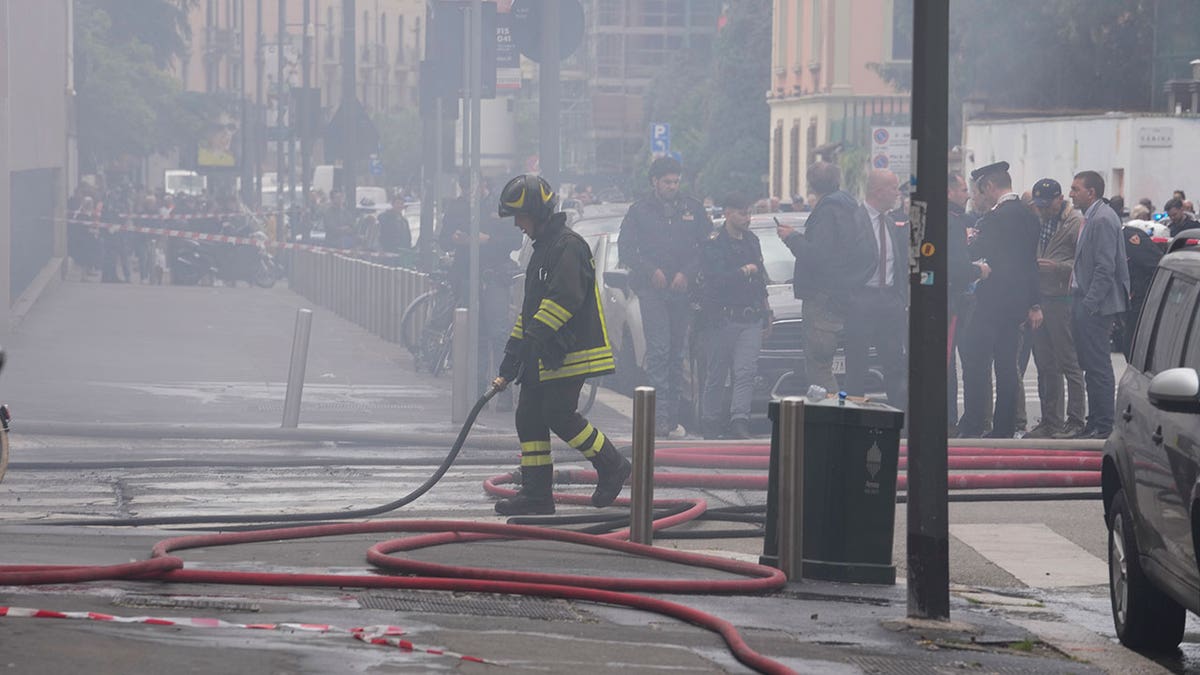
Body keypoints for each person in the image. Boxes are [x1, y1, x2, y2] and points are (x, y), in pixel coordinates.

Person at [491, 174, 631, 516]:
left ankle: (612, 465)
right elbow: (533, 307)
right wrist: (513, 351)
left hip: (571, 352)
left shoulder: (568, 246)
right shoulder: (543, 249)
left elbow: (564, 300)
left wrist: (532, 340)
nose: (518, 225)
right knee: (528, 417)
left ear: (537, 212)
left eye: (520, 216)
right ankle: (538, 495)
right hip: (546, 353)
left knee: (557, 414)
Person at [618, 157, 713, 437]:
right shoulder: (639, 212)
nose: (672, 186)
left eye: (676, 181)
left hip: (682, 292)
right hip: (653, 293)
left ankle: (672, 417)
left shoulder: (692, 209)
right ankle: (659, 417)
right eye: (667, 181)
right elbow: (626, 251)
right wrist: (650, 271)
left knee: (677, 355)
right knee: (658, 353)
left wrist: (687, 272)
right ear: (654, 182)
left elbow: (706, 248)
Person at [957, 161, 1043, 439]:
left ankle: (973, 422)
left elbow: (977, 251)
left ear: (991, 187)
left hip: (991, 301)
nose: (980, 197)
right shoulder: (1030, 216)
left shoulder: (995, 219)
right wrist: (1033, 303)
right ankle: (1003, 426)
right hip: (1017, 304)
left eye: (981, 191)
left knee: (975, 362)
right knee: (1008, 367)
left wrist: (968, 242)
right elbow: (1032, 264)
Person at [778, 161, 876, 396]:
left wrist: (791, 238)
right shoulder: (852, 209)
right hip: (846, 294)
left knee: (819, 366)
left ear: (811, 185)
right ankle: (843, 413)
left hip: (821, 298)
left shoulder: (826, 212)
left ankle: (829, 415)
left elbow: (817, 256)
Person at [440, 175, 524, 406]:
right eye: (465, 189)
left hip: (494, 275)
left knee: (498, 333)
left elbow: (515, 239)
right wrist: (454, 239)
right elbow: (443, 240)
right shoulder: (457, 207)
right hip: (467, 277)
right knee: (474, 335)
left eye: (473, 188)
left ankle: (502, 392)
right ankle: (477, 393)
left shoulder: (500, 206)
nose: (469, 194)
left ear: (484, 185)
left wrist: (489, 240)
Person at [695, 192, 771, 440]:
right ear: (727, 213)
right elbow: (715, 280)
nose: (747, 218)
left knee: (746, 372)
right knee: (717, 373)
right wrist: (742, 270)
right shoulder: (713, 242)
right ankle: (711, 421)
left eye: (749, 213)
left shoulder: (752, 241)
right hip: (722, 318)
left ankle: (740, 419)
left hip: (750, 318)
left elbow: (760, 279)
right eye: (742, 213)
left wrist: (766, 310)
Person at [1068, 170, 1130, 439]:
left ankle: (1103, 424)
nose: (1071, 194)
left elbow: (1105, 268)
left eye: (1076, 189)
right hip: (1087, 301)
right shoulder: (1093, 217)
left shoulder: (1102, 219)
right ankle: (1094, 421)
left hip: (1096, 305)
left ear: (1091, 192)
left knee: (1098, 366)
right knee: (1091, 366)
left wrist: (1090, 303)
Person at [1024, 178, 1086, 439]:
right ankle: (1050, 420)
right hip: (1041, 298)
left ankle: (1075, 420)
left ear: (1060, 199)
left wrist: (1057, 267)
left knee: (1068, 363)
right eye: (1039, 204)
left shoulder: (1074, 224)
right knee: (1045, 364)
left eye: (1047, 204)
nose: (1043, 208)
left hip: (1062, 300)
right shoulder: (1039, 220)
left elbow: (1083, 264)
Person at [844, 169, 908, 410]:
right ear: (878, 191)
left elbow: (898, 264)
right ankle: (854, 416)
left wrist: (899, 297)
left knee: (895, 363)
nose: (897, 193)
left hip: (889, 301)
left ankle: (900, 417)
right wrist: (850, 297)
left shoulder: (889, 222)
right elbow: (843, 262)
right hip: (862, 300)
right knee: (857, 365)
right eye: (893, 188)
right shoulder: (854, 221)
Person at [947, 172, 982, 436]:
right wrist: (979, 270)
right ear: (949, 192)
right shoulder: (952, 222)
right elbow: (957, 267)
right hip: (951, 301)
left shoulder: (953, 219)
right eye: (962, 190)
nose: (967, 194)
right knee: (949, 363)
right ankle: (949, 421)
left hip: (944, 301)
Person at [1116, 218, 1163, 356]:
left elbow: (1154, 264)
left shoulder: (1129, 237)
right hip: (1126, 298)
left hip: (1140, 297)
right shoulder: (1111, 238)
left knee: (1131, 344)